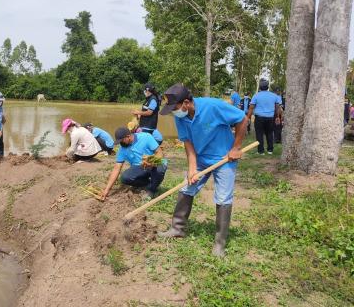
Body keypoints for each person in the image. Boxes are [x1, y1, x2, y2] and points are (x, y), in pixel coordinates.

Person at [157, 83, 248, 257]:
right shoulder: (180, 116)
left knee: (223, 197)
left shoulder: (213, 106)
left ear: (185, 103)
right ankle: (178, 228)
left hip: (223, 158)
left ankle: (219, 244)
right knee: (186, 187)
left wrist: (236, 148)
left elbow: (242, 119)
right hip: (200, 158)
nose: (172, 112)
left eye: (174, 108)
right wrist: (192, 168)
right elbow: (188, 142)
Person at [100, 127, 167, 200]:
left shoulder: (146, 137)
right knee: (125, 177)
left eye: (122, 141)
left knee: (160, 169)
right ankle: (149, 184)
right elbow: (117, 168)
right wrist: (107, 189)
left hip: (155, 163)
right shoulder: (122, 149)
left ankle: (152, 190)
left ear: (128, 137)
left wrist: (152, 162)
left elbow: (159, 153)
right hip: (140, 167)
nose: (121, 143)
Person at [246, 79, 281, 155]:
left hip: (259, 118)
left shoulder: (256, 96)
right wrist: (277, 117)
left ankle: (261, 151)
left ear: (260, 87)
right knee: (270, 133)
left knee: (259, 134)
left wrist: (248, 118)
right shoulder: (274, 96)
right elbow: (277, 107)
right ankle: (270, 150)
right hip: (270, 118)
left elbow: (251, 107)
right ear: (267, 87)